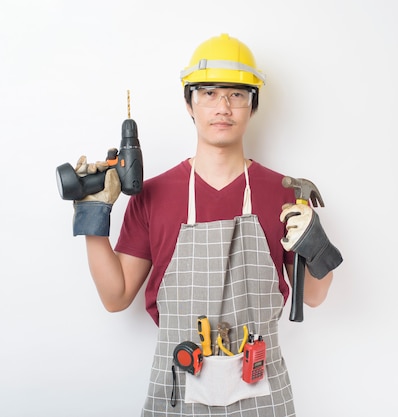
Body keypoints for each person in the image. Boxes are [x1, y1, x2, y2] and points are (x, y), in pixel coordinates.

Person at [70, 33, 343, 416]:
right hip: (179, 389)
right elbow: (116, 298)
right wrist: (93, 218)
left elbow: (313, 296)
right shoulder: (153, 194)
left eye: (236, 95)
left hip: (261, 389)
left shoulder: (284, 195)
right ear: (189, 104)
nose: (223, 107)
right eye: (209, 93)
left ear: (252, 106)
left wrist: (316, 247)